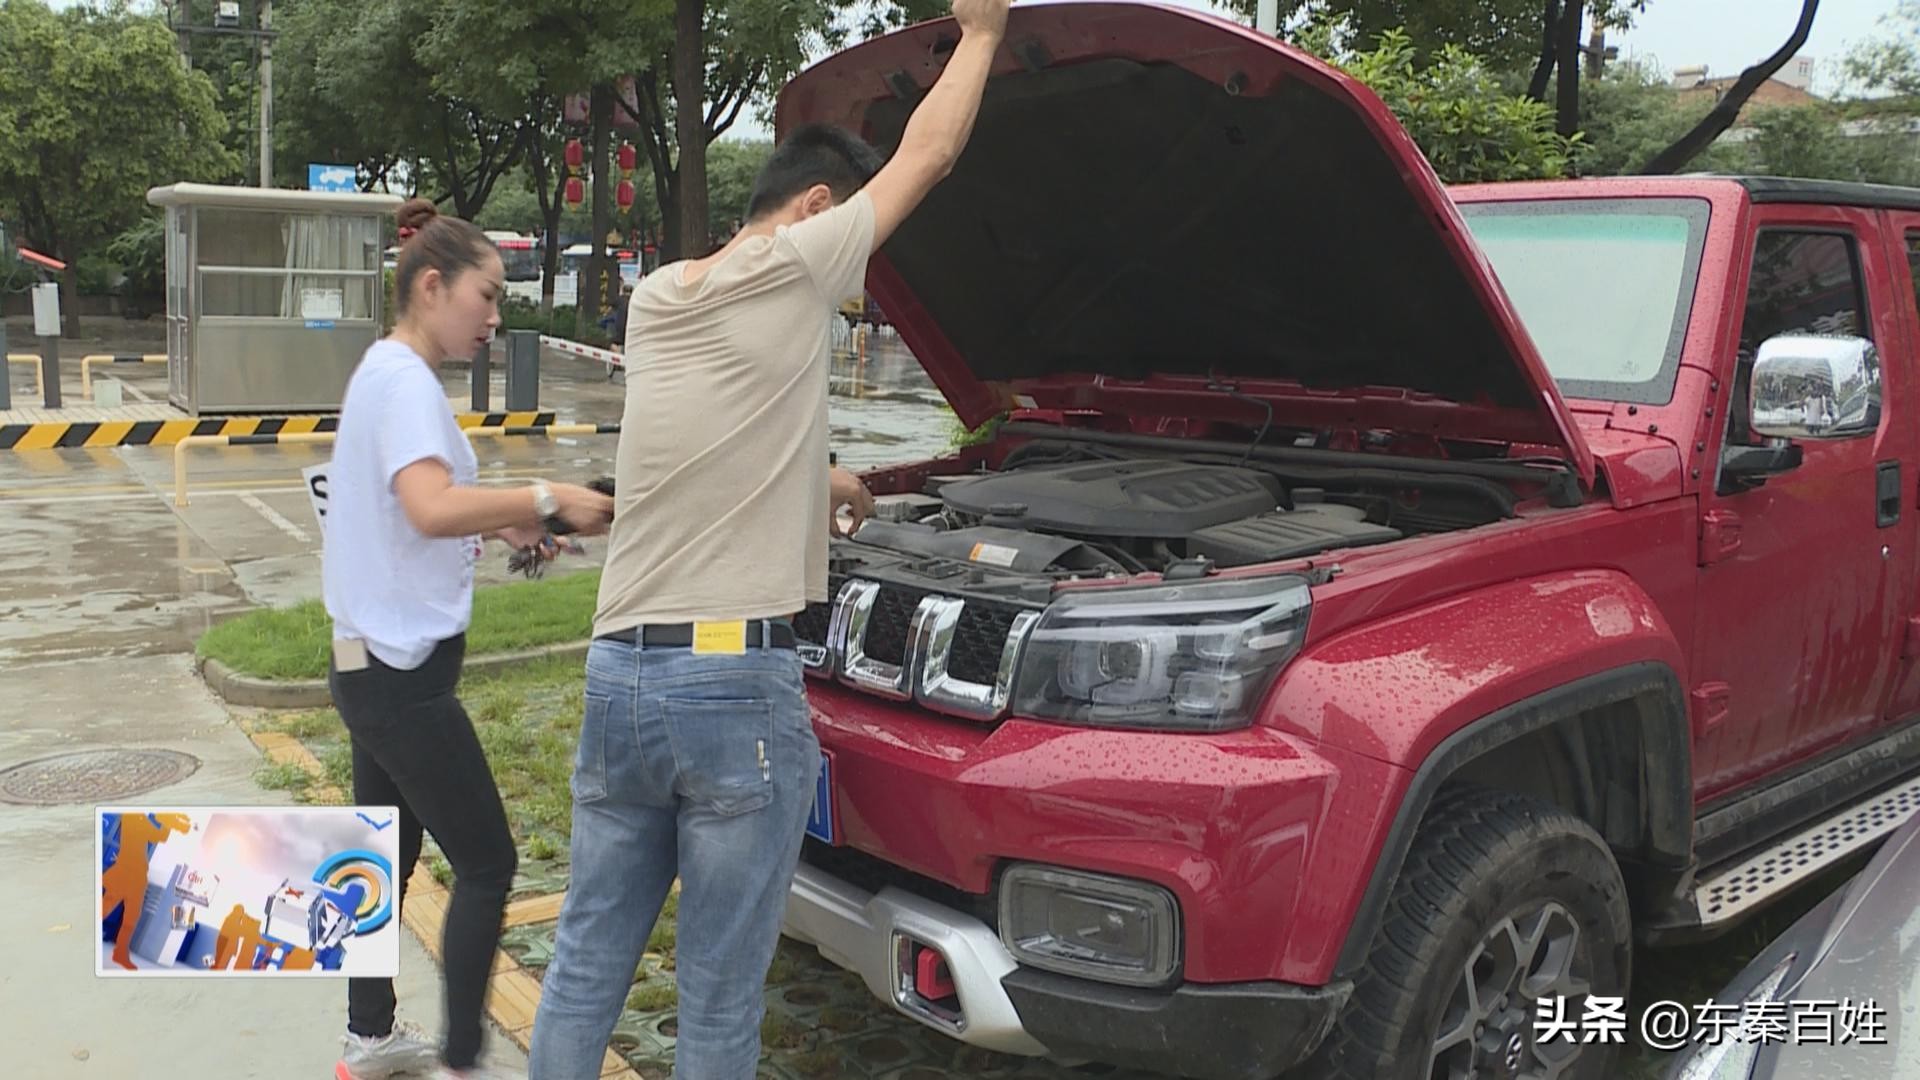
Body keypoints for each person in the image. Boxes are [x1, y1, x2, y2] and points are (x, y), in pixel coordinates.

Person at [526, 0, 1012, 1075]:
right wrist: (981, 35)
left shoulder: (659, 299)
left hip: (620, 676)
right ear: (816, 206)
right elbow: (928, 156)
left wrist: (822, 474)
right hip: (729, 692)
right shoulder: (793, 266)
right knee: (715, 998)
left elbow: (715, 435)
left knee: (586, 964)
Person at [327, 198, 614, 1080]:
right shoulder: (407, 381)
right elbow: (427, 505)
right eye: (486, 296)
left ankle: (368, 1037)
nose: (496, 316)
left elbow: (416, 517)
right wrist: (539, 499)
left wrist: (503, 530)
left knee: (387, 853)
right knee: (489, 860)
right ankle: (460, 1059)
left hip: (369, 663)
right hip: (401, 679)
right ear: (430, 285)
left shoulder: (383, 371)